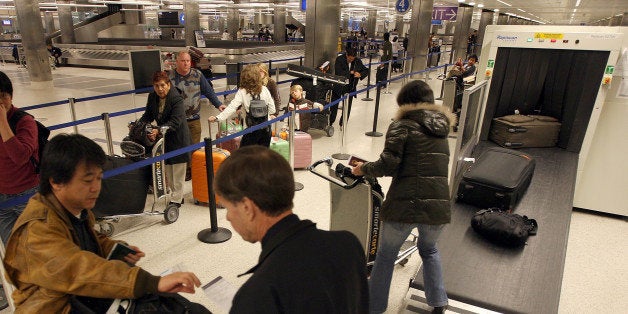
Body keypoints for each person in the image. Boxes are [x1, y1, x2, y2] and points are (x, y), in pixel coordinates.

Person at [2, 133, 206, 313]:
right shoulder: (37, 230)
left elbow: (85, 241)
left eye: (99, 178)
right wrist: (151, 282)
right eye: (87, 180)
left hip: (83, 298)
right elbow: (79, 270)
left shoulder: (73, 208)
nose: (96, 188)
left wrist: (112, 248)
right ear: (56, 182)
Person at [214, 146, 369, 313]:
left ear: (247, 208)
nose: (228, 217)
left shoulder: (258, 295)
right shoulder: (348, 244)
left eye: (227, 208)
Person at [351, 80, 455, 314]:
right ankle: (439, 303)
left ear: (405, 102)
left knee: (386, 256)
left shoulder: (402, 125)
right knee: (429, 250)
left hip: (405, 205)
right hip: (438, 206)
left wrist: (363, 168)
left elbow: (388, 164)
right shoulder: (442, 129)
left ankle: (373, 307)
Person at [138, 71, 191, 208]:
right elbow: (148, 114)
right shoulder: (152, 97)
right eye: (156, 86)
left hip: (178, 138)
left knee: (178, 171)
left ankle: (176, 200)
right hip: (165, 139)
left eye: (162, 85)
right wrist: (139, 124)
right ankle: (176, 195)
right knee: (168, 168)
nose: (160, 89)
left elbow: (176, 121)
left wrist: (158, 130)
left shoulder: (176, 98)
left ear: (168, 84)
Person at [169, 50, 224, 180]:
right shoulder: (170, 77)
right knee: (179, 146)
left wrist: (218, 104)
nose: (186, 63)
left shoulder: (197, 74)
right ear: (177, 62)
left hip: (194, 119)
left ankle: (191, 170)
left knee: (193, 146)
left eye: (187, 61)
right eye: (182, 61)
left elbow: (208, 91)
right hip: (177, 120)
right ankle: (180, 171)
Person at [0, 71, 39, 245]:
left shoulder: (24, 121)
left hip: (28, 195)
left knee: (38, 249)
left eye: (3, 96)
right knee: (13, 251)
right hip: (2, 197)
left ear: (11, 96)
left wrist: (2, 123)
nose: (0, 102)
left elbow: (21, 157)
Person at [208, 64, 275, 147]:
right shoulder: (264, 89)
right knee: (263, 156)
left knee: (245, 155)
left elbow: (232, 107)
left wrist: (218, 118)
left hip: (252, 129)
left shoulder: (242, 91)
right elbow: (272, 110)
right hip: (266, 129)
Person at [330, 47, 369, 128]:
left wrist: (360, 74)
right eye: (349, 59)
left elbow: (366, 70)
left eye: (352, 59)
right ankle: (330, 122)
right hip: (338, 86)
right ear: (346, 55)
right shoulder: (339, 59)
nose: (351, 60)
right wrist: (351, 73)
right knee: (334, 106)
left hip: (350, 87)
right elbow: (339, 72)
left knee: (347, 107)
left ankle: (343, 123)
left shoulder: (357, 61)